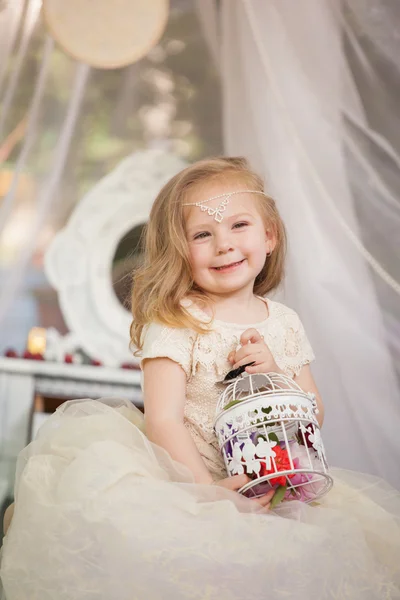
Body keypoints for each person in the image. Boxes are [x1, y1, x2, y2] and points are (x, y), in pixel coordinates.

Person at [1, 157, 399, 599]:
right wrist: (208, 492)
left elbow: (312, 414)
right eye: (202, 234)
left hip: (272, 485)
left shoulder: (284, 323)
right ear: (180, 251)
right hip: (191, 480)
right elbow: (164, 420)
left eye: (239, 225)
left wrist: (275, 373)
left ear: (269, 236)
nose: (223, 244)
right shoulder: (177, 320)